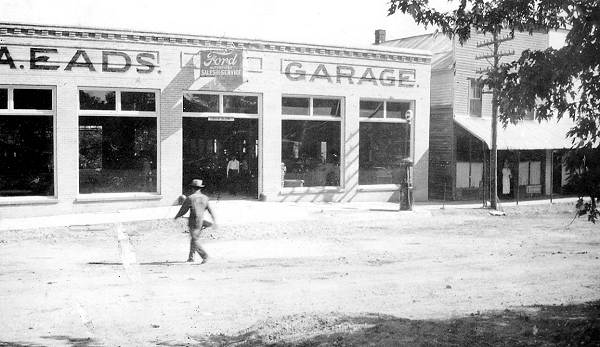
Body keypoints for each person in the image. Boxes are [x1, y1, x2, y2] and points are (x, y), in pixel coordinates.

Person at [174, 179, 217, 263]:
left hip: (193, 222)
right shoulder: (205, 198)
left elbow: (183, 210)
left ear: (192, 188)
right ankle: (191, 257)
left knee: (194, 240)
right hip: (201, 222)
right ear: (200, 188)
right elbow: (210, 210)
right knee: (194, 239)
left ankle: (205, 256)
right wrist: (214, 220)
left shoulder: (190, 198)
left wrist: (176, 217)